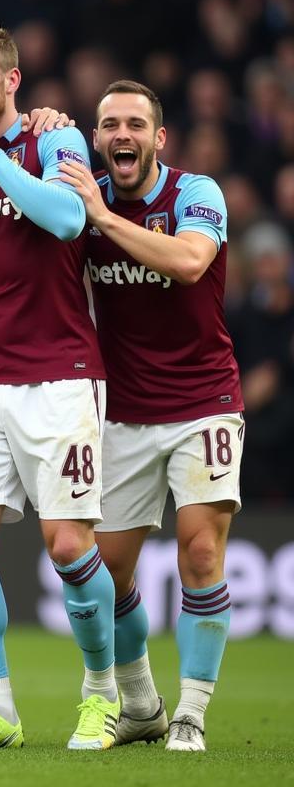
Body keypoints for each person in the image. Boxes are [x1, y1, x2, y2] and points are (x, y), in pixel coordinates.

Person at [0, 20, 119, 751]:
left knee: (70, 544)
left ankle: (101, 696)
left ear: (12, 81)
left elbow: (68, 216)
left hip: (62, 375)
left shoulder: (56, 141)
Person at [59, 80, 244, 752]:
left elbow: (193, 263)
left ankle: (191, 714)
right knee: (105, 574)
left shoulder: (196, 194)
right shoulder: (84, 202)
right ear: (97, 138)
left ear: (159, 138)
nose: (122, 134)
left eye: (136, 123)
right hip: (123, 411)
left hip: (205, 403)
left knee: (200, 549)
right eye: (109, 124)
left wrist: (103, 221)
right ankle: (140, 703)